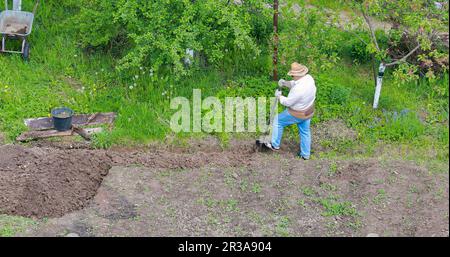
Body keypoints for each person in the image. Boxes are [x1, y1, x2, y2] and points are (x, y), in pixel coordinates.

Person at [265, 62, 316, 160]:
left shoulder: (298, 89)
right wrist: (284, 83)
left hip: (298, 113)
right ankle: (305, 155)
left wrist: (279, 96)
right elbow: (294, 83)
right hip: (309, 110)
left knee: (278, 120)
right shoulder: (309, 78)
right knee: (305, 131)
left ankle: (274, 145)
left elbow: (288, 102)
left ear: (297, 75)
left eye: (292, 75)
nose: (292, 76)